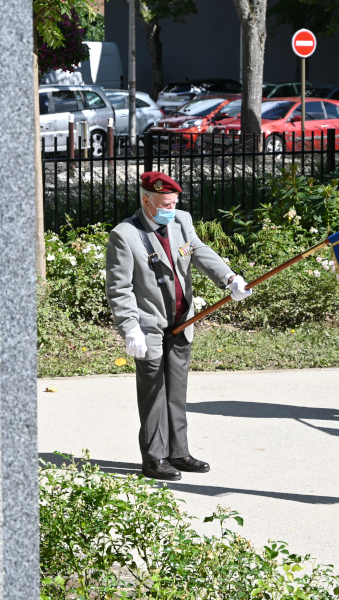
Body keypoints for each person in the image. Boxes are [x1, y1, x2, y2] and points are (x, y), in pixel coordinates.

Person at [105, 172, 252, 481]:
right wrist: (130, 327)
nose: (170, 208)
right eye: (164, 203)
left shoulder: (181, 221)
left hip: (183, 320)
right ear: (147, 201)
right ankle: (154, 458)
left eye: (173, 202)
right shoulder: (125, 235)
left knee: (176, 391)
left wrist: (229, 278)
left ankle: (179, 452)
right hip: (148, 326)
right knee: (154, 393)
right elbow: (119, 289)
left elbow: (199, 252)